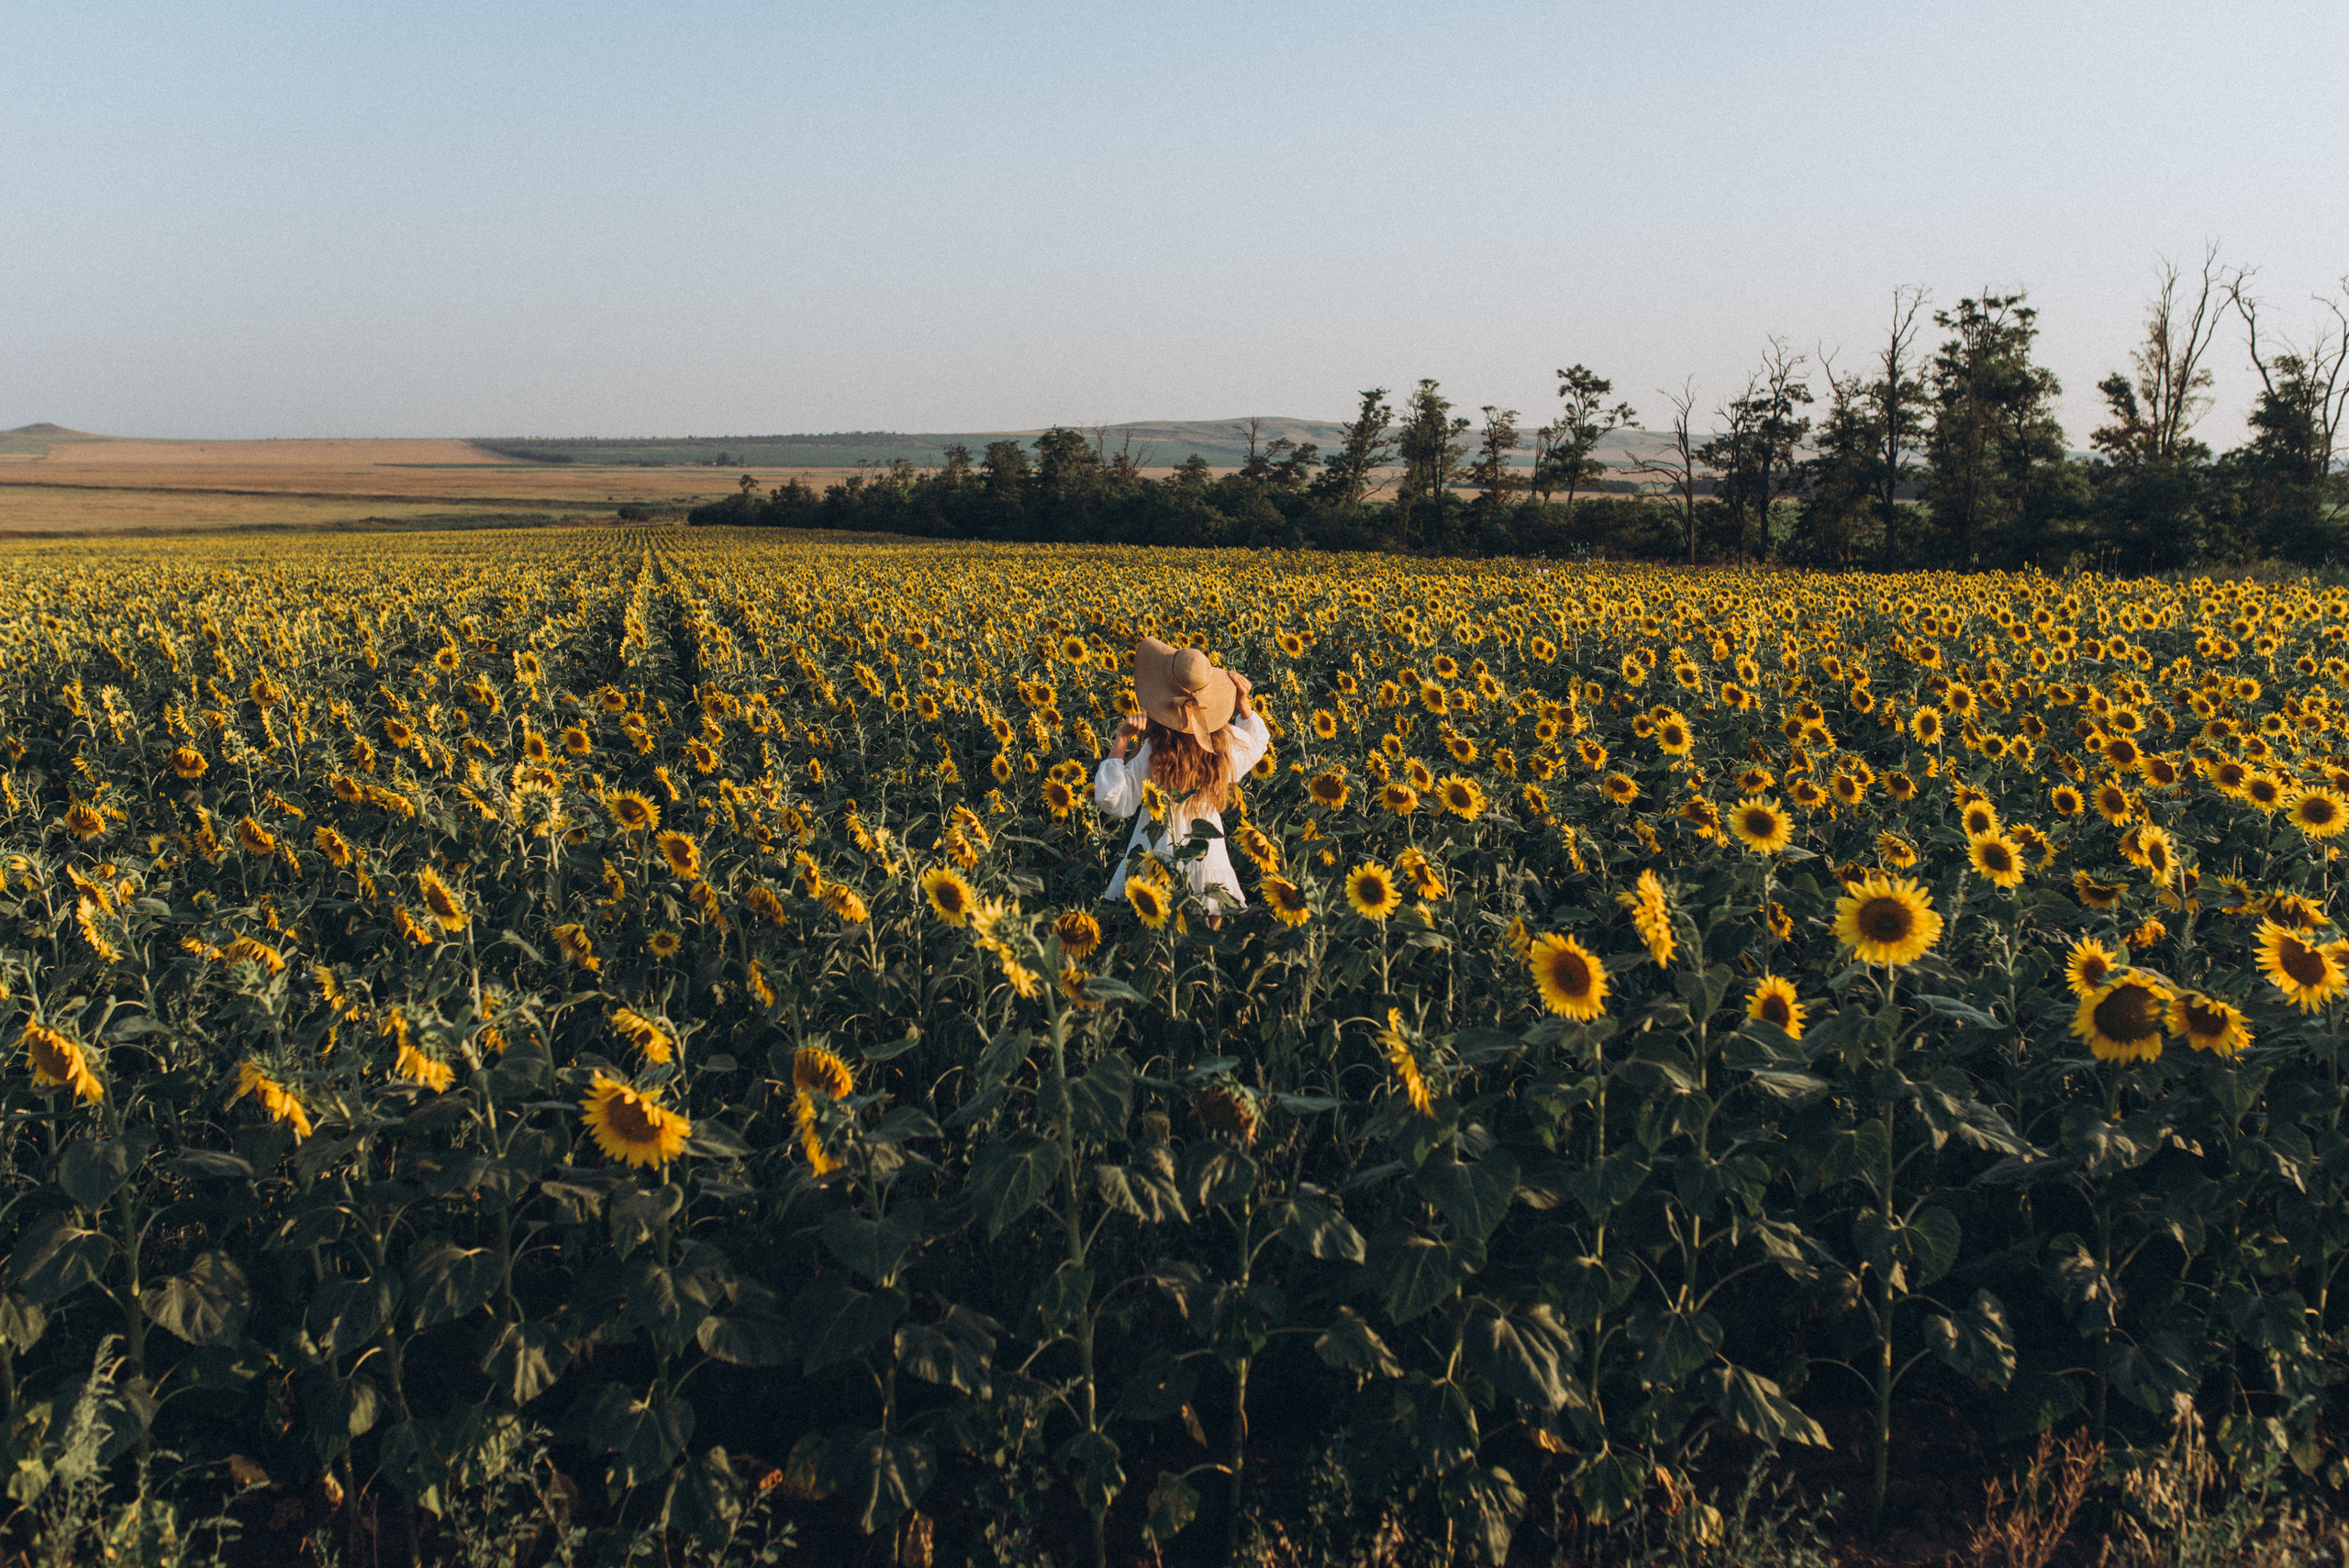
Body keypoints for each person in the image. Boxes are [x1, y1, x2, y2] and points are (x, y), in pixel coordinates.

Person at [1096, 638, 1269, 915]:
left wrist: (1122, 739)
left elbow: (1111, 797)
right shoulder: (1222, 744)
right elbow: (1256, 745)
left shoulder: (1156, 751)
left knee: (1161, 926)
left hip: (1158, 851)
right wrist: (1243, 703)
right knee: (1211, 910)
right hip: (1206, 849)